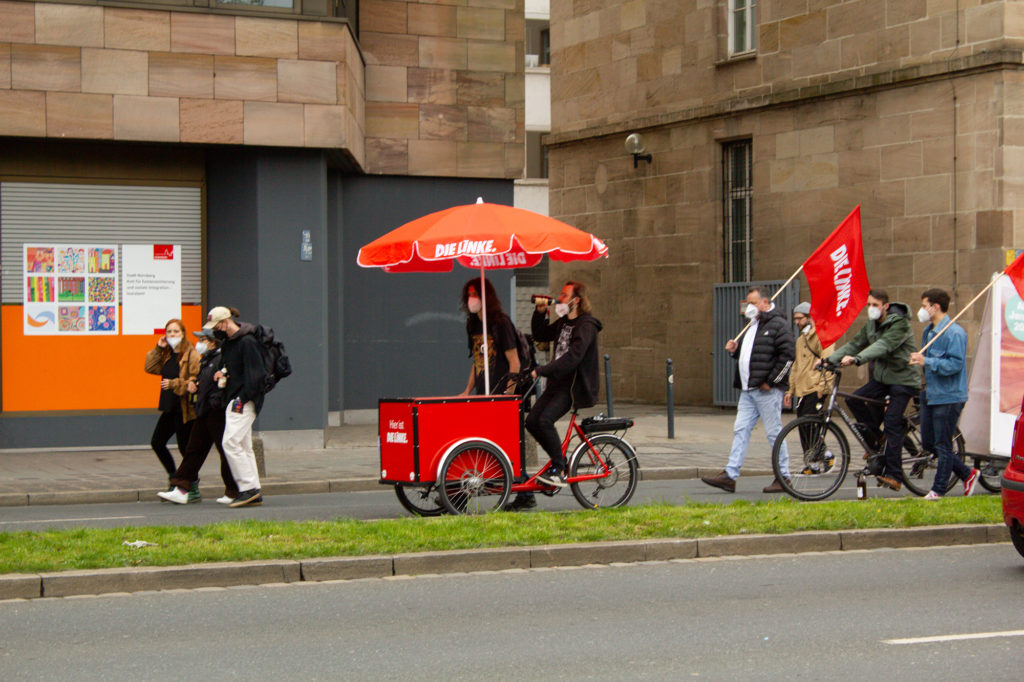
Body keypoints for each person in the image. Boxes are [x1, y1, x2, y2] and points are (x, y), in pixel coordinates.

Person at [702, 286, 794, 494]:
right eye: (747, 303)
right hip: (748, 390)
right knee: (740, 429)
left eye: (752, 303)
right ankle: (730, 474)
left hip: (766, 391)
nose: (748, 307)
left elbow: (788, 356)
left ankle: (784, 476)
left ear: (765, 303)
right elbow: (752, 354)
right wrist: (736, 351)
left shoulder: (778, 325)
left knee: (773, 433)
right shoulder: (753, 324)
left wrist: (771, 382)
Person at [826, 289, 920, 491]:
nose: (871, 309)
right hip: (883, 378)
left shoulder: (900, 324)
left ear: (886, 306)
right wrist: (828, 360)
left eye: (875, 305)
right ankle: (877, 440)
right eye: (868, 305)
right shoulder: (871, 324)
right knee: (854, 399)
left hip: (903, 379)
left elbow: (883, 346)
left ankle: (895, 476)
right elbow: (855, 343)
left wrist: (857, 359)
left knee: (892, 423)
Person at [526, 281, 602, 489]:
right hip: (556, 383)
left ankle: (559, 468)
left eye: (564, 295)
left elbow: (572, 358)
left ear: (576, 301)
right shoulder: (563, 322)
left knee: (544, 420)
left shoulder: (586, 326)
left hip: (571, 386)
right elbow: (541, 335)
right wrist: (540, 312)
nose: (560, 299)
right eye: (560, 295)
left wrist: (542, 370)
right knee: (532, 421)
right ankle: (559, 461)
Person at [908, 288, 980, 499]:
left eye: (924, 306)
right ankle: (967, 474)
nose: (921, 310)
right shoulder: (929, 331)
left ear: (935, 307)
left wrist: (926, 361)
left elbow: (955, 365)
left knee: (943, 443)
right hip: (930, 393)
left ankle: (938, 490)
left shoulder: (954, 333)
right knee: (929, 443)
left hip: (949, 396)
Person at [158, 328, 240, 505]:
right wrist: (195, 385)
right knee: (194, 450)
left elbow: (221, 384)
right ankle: (181, 487)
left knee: (224, 451)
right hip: (204, 411)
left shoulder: (219, 359)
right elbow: (206, 381)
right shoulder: (208, 359)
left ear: (212, 342)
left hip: (215, 412)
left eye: (203, 339)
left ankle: (235, 490)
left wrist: (211, 398)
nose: (199, 343)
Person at [206, 306, 268, 508]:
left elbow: (256, 375)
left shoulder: (247, 342)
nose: (216, 331)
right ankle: (253, 489)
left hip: (243, 400)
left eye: (217, 326)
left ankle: (248, 488)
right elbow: (237, 370)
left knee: (230, 443)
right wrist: (223, 374)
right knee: (243, 445)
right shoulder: (230, 344)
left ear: (225, 322)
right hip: (238, 398)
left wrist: (242, 398)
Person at [144, 318, 200, 486]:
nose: (172, 335)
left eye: (176, 331)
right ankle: (173, 475)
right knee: (157, 443)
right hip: (169, 407)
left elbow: (194, 382)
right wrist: (158, 348)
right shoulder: (167, 353)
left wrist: (174, 383)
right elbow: (150, 367)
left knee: (185, 449)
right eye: (169, 332)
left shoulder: (191, 354)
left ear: (183, 333)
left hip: (184, 408)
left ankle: (191, 481)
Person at [785, 302, 835, 473]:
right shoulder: (801, 340)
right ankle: (813, 461)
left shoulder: (822, 336)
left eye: (800, 318)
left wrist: (823, 387)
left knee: (811, 423)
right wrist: (790, 389)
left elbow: (829, 362)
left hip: (816, 388)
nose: (797, 322)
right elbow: (796, 366)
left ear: (810, 318)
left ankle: (823, 455)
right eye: (796, 319)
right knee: (804, 425)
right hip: (803, 389)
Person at [458, 277, 520, 396]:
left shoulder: (501, 322)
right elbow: (477, 362)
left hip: (500, 392)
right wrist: (467, 391)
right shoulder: (473, 325)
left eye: (475, 294)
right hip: (482, 392)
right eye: (469, 295)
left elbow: (514, 361)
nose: (472, 298)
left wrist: (509, 393)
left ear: (485, 296)